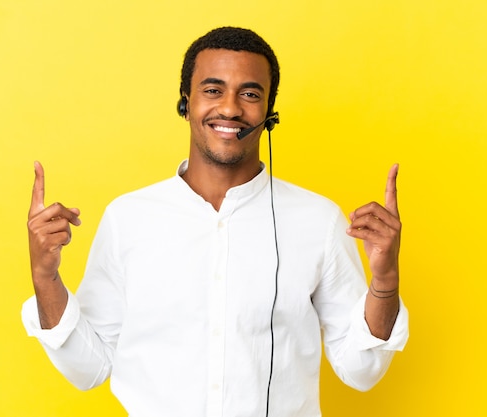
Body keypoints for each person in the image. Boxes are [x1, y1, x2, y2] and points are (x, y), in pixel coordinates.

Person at [22, 27, 408, 417]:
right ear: (185, 104)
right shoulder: (128, 218)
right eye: (212, 89)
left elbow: (361, 371)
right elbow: (89, 368)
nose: (230, 108)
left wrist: (385, 284)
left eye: (250, 93)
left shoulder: (319, 220)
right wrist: (46, 278)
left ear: (270, 112)